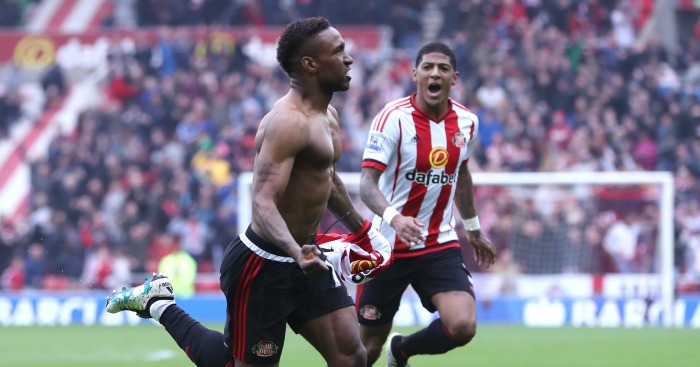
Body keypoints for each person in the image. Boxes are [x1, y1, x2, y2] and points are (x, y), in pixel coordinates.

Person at [105, 17, 391, 367]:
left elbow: (326, 178)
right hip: (264, 262)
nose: (349, 59)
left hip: (306, 258)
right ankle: (159, 304)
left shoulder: (326, 114)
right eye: (338, 51)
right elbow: (262, 200)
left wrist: (361, 230)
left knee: (352, 358)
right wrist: (294, 251)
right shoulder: (288, 122)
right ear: (310, 64)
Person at [357, 42, 498, 367]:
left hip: (437, 242)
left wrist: (473, 229)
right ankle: (385, 349)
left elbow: (461, 173)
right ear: (415, 74)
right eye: (429, 67)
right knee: (365, 350)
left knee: (463, 325)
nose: (435, 73)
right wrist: (395, 219)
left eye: (443, 68)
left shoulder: (468, 123)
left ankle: (402, 350)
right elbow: (367, 185)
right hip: (387, 245)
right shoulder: (392, 118)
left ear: (455, 78)